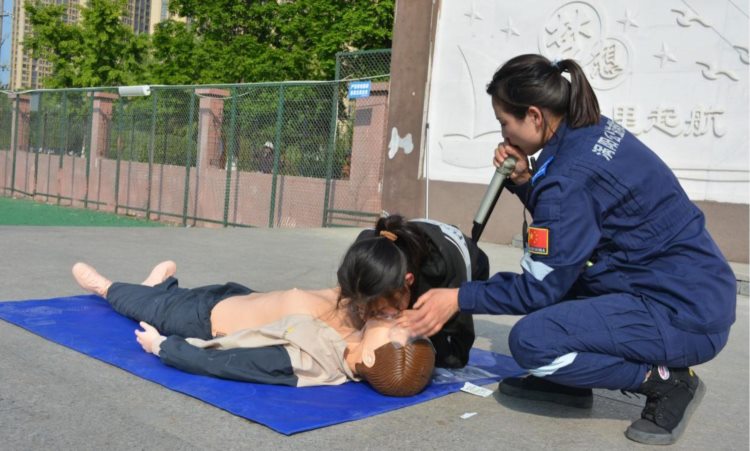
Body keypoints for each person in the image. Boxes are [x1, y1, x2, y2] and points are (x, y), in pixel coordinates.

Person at [399, 54, 736, 444]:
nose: (505, 136)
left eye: (505, 123)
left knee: (533, 341)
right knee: (561, 289)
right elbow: (574, 229)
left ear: (535, 116)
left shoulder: (568, 176)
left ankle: (666, 381)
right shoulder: (590, 131)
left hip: (683, 315)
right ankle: (569, 383)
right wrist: (526, 181)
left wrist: (458, 297)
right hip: (690, 288)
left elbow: (538, 287)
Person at [71, 237, 436, 397]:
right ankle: (158, 286)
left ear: (371, 356)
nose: (396, 319)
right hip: (239, 295)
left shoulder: (314, 360)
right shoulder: (363, 310)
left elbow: (230, 363)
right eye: (395, 316)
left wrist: (163, 347)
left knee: (142, 305)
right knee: (162, 296)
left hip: (201, 319)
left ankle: (107, 287)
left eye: (397, 327)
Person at [355, 214, 489, 369]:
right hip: (415, 241)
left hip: (472, 261)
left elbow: (457, 355)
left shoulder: (440, 275)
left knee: (431, 322)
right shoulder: (362, 255)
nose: (375, 318)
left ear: (408, 282)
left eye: (381, 312)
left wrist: (423, 324)